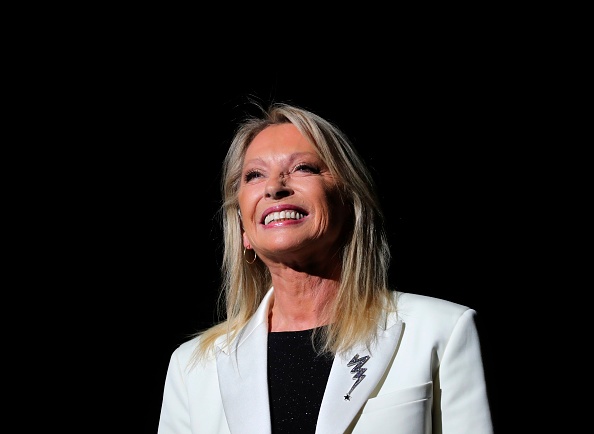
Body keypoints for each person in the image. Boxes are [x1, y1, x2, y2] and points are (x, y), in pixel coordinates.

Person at [158, 102, 493, 434]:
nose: (275, 187)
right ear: (244, 230)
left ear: (349, 204)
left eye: (303, 167)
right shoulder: (191, 367)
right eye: (255, 175)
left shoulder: (441, 332)